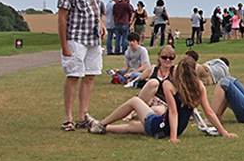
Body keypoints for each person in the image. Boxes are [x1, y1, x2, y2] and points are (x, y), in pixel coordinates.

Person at [87, 56, 236, 142]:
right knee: (132, 126)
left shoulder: (169, 85)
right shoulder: (199, 87)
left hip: (161, 126)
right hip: (175, 129)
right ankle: (103, 128)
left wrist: (172, 138)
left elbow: (173, 112)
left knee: (134, 101)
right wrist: (224, 132)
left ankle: (102, 123)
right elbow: (209, 112)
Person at [57, 0, 106, 131]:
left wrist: (100, 23)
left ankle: (83, 115)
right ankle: (67, 117)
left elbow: (95, 7)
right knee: (74, 75)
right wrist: (64, 45)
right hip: (76, 36)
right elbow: (62, 17)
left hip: (93, 37)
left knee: (90, 75)